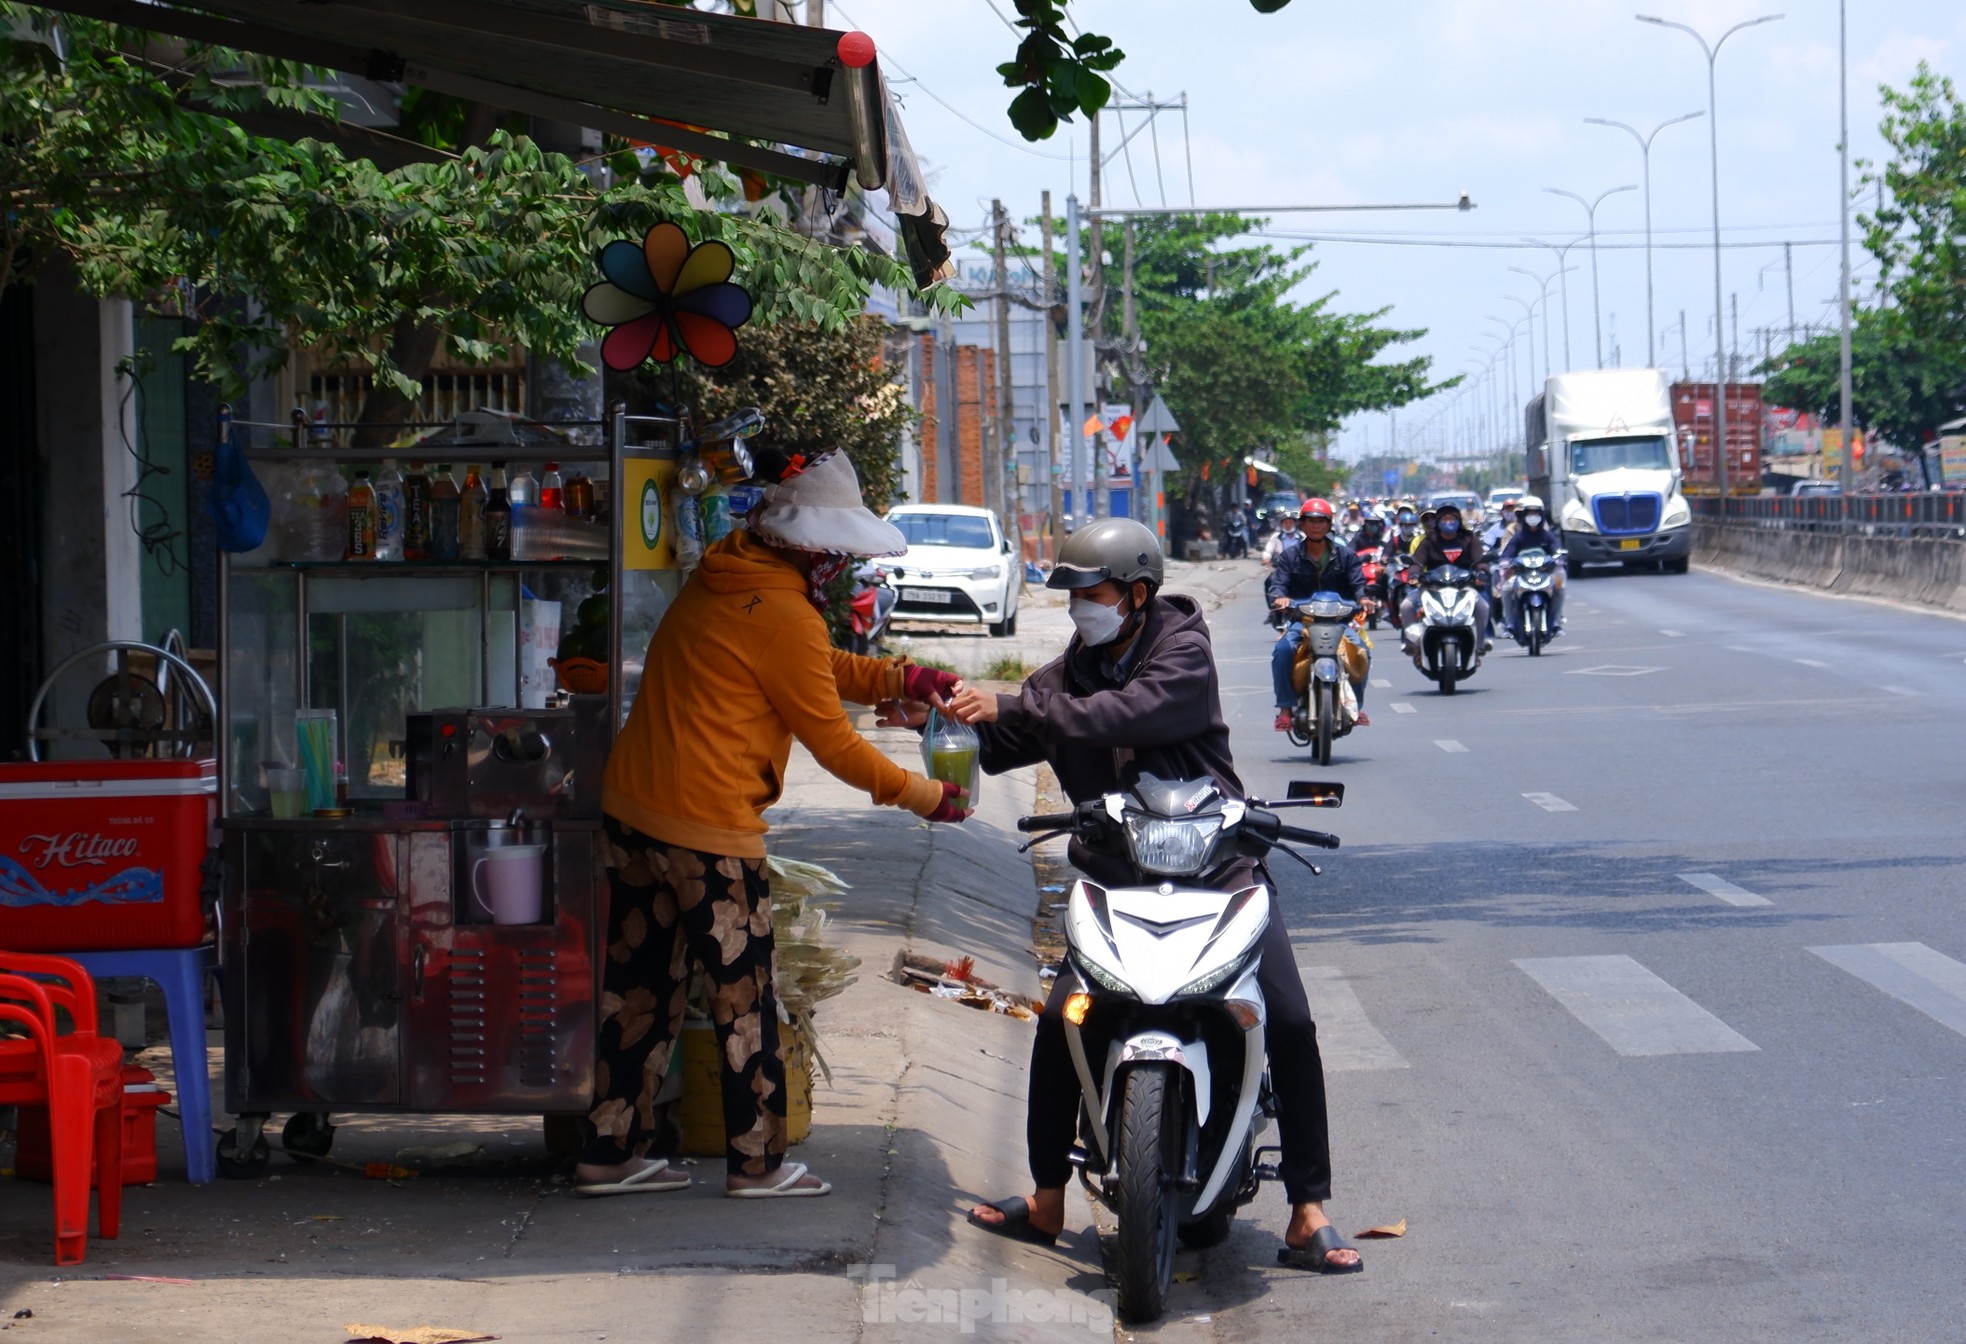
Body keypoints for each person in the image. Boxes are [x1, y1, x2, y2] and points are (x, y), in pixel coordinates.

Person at [949, 518, 1363, 1274]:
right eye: (1071, 593)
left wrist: (1010, 704)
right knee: (1058, 1020)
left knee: (1292, 1021)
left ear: (1138, 595)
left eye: (1093, 592)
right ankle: (1047, 1199)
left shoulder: (1182, 651)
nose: (1080, 605)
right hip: (1115, 877)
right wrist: (946, 716)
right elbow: (1017, 738)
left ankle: (1308, 1210)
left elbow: (1130, 713)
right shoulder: (1069, 672)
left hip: (1218, 868)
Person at [577, 451, 968, 1200]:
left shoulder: (725, 576)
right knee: (744, 997)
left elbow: (812, 666)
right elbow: (837, 743)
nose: (839, 569)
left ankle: (607, 1153)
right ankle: (758, 1164)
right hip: (706, 827)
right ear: (814, 551)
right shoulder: (783, 610)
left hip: (632, 811)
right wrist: (927, 797)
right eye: (836, 556)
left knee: (638, 989)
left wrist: (902, 677)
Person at [1268, 498, 1372, 732]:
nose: (1316, 526)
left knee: (1362, 651)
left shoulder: (1345, 556)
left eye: (1321, 521)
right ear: (1302, 525)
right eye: (1311, 521)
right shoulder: (1289, 556)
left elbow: (1358, 584)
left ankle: (1355, 706)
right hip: (1302, 622)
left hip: (1339, 622)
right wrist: (1280, 598)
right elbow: (1278, 585)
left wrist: (1363, 598)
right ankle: (1285, 709)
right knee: (1282, 651)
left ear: (1329, 524)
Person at [1399, 502, 1492, 650]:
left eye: (1452, 519)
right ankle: (1411, 642)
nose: (1448, 523)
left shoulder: (1469, 538)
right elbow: (1417, 561)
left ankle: (1481, 642)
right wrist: (1414, 574)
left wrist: (1481, 572)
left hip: (1464, 587)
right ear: (1438, 522)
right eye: (1444, 519)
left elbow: (1479, 559)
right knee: (1406, 606)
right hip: (1432, 587)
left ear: (1458, 521)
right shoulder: (1429, 540)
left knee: (1483, 606)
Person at [1500, 494, 1566, 637]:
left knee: (1560, 587)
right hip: (1522, 574)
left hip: (1544, 573)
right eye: (1530, 514)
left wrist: (1559, 557)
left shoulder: (1546, 535)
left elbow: (1556, 548)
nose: (1533, 517)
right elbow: (1508, 552)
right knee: (1506, 589)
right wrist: (1505, 561)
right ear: (1524, 516)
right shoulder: (1518, 536)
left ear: (1541, 516)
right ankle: (1510, 624)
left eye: (1536, 514)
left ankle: (1556, 622)